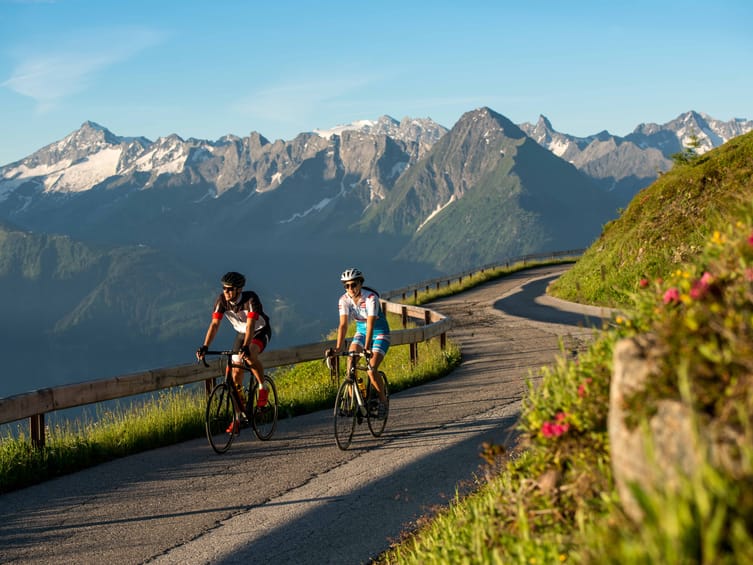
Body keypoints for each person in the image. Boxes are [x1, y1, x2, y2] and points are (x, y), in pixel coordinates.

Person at [196, 271, 271, 433]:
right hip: (241, 333)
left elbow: (251, 325)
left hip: (259, 331)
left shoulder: (250, 299)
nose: (226, 292)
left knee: (250, 354)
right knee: (234, 375)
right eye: (224, 288)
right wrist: (205, 346)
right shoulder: (222, 301)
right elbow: (215, 325)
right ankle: (238, 417)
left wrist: (245, 346)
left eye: (229, 289)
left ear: (238, 289)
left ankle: (262, 386)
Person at [328, 268, 390, 418]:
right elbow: (343, 325)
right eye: (347, 286)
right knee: (351, 362)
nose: (350, 289)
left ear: (360, 283)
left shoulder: (371, 298)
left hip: (379, 333)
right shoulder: (344, 300)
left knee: (371, 369)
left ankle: (383, 401)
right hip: (361, 333)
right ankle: (355, 402)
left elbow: (370, 324)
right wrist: (337, 348)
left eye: (353, 284)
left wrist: (367, 347)